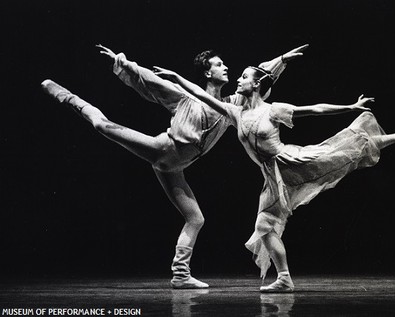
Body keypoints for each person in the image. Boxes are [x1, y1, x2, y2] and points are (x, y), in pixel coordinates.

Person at [41, 44, 308, 289]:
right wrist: (121, 62)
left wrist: (282, 60)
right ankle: (65, 95)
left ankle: (180, 275)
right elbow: (149, 81)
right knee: (100, 124)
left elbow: (259, 78)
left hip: (175, 167)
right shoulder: (184, 97)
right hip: (160, 150)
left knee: (195, 218)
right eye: (219, 64)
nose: (226, 67)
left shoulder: (231, 105)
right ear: (207, 71)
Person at [152, 64, 395, 293]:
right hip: (272, 176)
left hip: (293, 162)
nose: (238, 78)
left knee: (344, 151)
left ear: (257, 84)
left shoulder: (273, 110)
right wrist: (177, 78)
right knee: (264, 226)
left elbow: (314, 109)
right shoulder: (236, 112)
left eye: (245, 77)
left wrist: (350, 106)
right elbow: (204, 98)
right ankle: (284, 278)